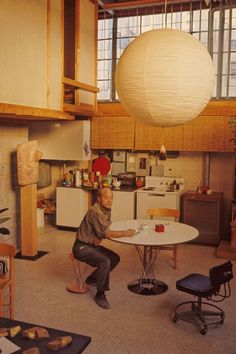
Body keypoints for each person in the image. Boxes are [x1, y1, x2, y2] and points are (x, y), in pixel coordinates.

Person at [72, 187, 135, 309]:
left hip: (91, 244)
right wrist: (125, 233)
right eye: (106, 198)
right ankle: (100, 295)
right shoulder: (96, 212)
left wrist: (98, 236)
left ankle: (92, 278)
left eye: (111, 197)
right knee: (105, 261)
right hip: (81, 247)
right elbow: (107, 233)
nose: (109, 200)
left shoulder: (106, 209)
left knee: (114, 258)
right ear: (99, 199)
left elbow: (102, 230)